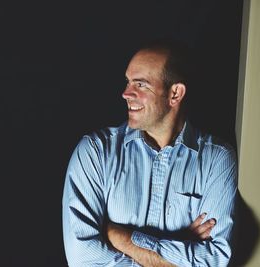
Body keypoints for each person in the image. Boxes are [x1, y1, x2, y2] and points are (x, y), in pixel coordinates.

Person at [62, 39, 238, 266]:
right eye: (127, 82)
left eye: (141, 84)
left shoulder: (217, 159)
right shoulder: (96, 152)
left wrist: (122, 239)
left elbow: (214, 261)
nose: (126, 93)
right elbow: (81, 258)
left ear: (175, 94)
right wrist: (178, 247)